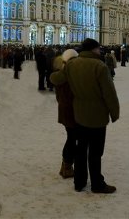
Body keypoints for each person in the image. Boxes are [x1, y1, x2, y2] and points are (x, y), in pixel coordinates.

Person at [50, 39, 120, 194]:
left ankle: (79, 182)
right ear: (94, 49)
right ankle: (97, 184)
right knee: (95, 152)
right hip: (97, 116)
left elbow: (55, 79)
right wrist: (115, 113)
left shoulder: (72, 65)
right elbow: (109, 94)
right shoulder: (100, 66)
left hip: (79, 114)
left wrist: (61, 68)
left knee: (81, 150)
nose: (100, 51)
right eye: (98, 49)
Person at [55, 48, 79, 179]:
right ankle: (67, 166)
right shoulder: (69, 74)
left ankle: (65, 165)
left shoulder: (61, 73)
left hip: (64, 110)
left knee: (71, 138)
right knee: (72, 139)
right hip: (72, 111)